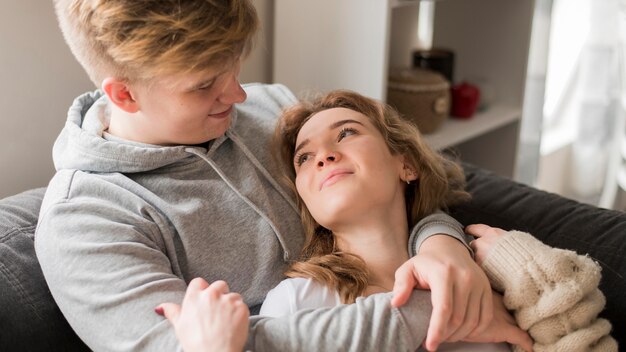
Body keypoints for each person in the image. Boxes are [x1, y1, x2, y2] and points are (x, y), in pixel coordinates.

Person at [36, 1, 493, 351]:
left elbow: (401, 191)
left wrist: (443, 246)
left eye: (235, 67)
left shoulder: (270, 108)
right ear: (124, 94)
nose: (238, 95)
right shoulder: (85, 221)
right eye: (203, 85)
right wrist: (441, 306)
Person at [158, 90, 616, 352]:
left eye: (347, 133)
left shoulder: (486, 266)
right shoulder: (298, 303)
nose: (325, 156)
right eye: (305, 157)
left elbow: (581, 340)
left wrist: (525, 269)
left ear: (406, 165)